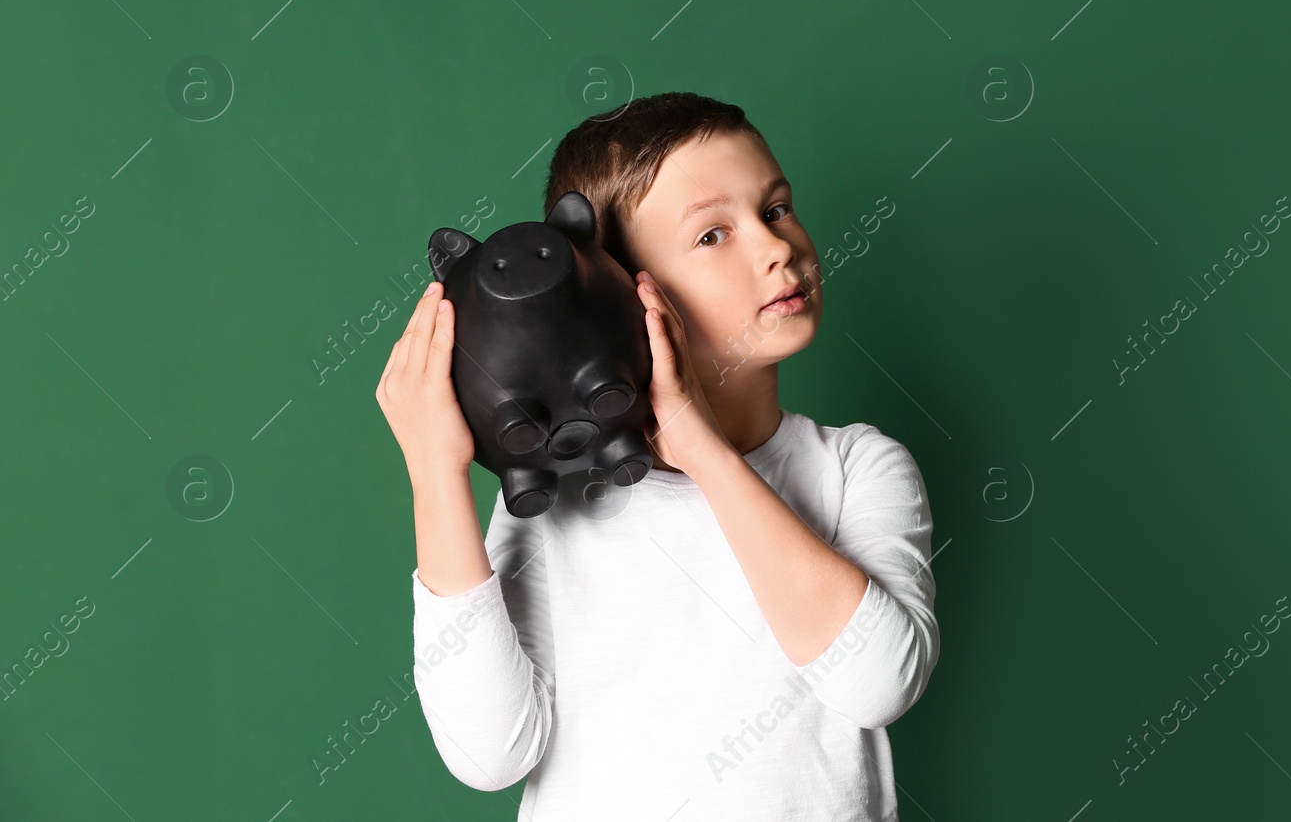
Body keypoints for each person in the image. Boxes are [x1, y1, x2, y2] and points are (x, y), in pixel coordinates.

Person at [374, 91, 938, 819]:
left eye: (775, 209)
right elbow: (490, 753)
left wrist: (701, 448)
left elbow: (878, 682)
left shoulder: (859, 467)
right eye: (712, 234)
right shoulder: (558, 512)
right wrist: (434, 475)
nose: (777, 248)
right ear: (618, 284)